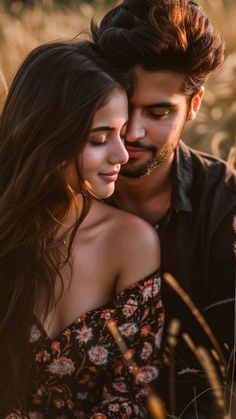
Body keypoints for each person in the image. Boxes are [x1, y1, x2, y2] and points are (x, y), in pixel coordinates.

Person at [0, 41, 164, 418]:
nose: (122, 155)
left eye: (122, 134)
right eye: (99, 139)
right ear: (46, 138)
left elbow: (131, 396)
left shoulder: (130, 243)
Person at [91, 0, 236, 416]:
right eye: (122, 105)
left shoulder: (226, 209)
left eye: (158, 112)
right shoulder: (57, 196)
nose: (133, 132)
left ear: (194, 104)